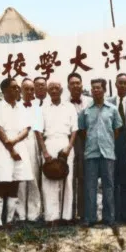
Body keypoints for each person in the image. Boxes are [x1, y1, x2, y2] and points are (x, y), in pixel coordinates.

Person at [78, 78, 122, 226]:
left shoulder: (113, 109)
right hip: (91, 153)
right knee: (90, 186)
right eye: (93, 88)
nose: (95, 90)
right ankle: (90, 218)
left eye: (98, 88)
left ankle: (109, 218)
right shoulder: (85, 111)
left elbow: (116, 130)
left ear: (104, 90)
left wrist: (106, 141)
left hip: (108, 153)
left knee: (108, 185)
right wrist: (93, 142)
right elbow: (83, 132)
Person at [0, 78, 34, 227]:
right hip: (3, 147)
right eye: (13, 88)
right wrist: (10, 148)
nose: (17, 90)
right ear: (4, 91)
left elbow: (27, 129)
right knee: (2, 182)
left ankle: (9, 220)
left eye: (17, 88)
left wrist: (14, 143)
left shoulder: (22, 108)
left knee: (15, 182)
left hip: (18, 145)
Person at [35, 80, 78, 224]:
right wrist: (45, 151)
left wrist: (69, 147)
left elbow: (74, 130)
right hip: (49, 143)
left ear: (61, 90)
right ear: (47, 91)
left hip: (65, 143)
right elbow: (38, 131)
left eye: (56, 88)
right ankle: (51, 217)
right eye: (51, 88)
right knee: (49, 179)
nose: (54, 90)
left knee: (67, 179)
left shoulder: (70, 107)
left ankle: (66, 216)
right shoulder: (42, 108)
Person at [107, 73, 126, 222]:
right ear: (116, 84)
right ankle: (114, 215)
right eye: (121, 83)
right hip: (112, 145)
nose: (123, 86)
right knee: (112, 180)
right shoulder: (108, 102)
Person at [17, 78, 42, 222]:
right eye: (26, 88)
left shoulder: (37, 107)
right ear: (20, 89)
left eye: (32, 89)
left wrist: (40, 149)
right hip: (19, 142)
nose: (29, 92)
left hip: (32, 142)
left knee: (33, 176)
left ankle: (33, 213)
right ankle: (20, 214)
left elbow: (38, 130)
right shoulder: (15, 106)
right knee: (21, 178)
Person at [67, 73, 92, 220]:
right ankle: (69, 213)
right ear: (68, 86)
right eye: (72, 83)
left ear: (82, 85)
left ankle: (83, 213)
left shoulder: (90, 101)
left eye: (78, 83)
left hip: (86, 142)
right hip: (70, 142)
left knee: (84, 176)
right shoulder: (64, 103)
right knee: (70, 176)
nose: (76, 86)